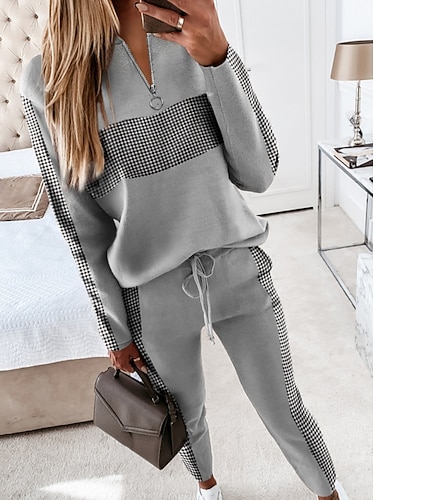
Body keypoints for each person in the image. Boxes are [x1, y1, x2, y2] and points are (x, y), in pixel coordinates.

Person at [20, 1, 349, 498]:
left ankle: (329, 492)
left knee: (284, 405)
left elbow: (260, 172)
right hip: (151, 297)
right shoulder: (48, 78)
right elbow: (82, 227)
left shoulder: (194, 30)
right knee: (184, 416)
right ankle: (207, 488)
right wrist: (113, 327)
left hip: (239, 267)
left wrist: (218, 59)